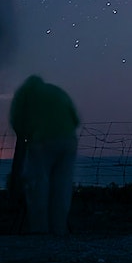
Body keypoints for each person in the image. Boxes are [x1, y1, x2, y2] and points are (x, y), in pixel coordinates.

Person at [9, 75, 81, 236]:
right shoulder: (56, 91)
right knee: (62, 185)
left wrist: (16, 174)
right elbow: (75, 120)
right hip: (68, 140)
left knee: (37, 183)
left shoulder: (23, 95)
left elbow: (20, 132)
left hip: (42, 141)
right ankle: (59, 229)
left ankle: (40, 230)